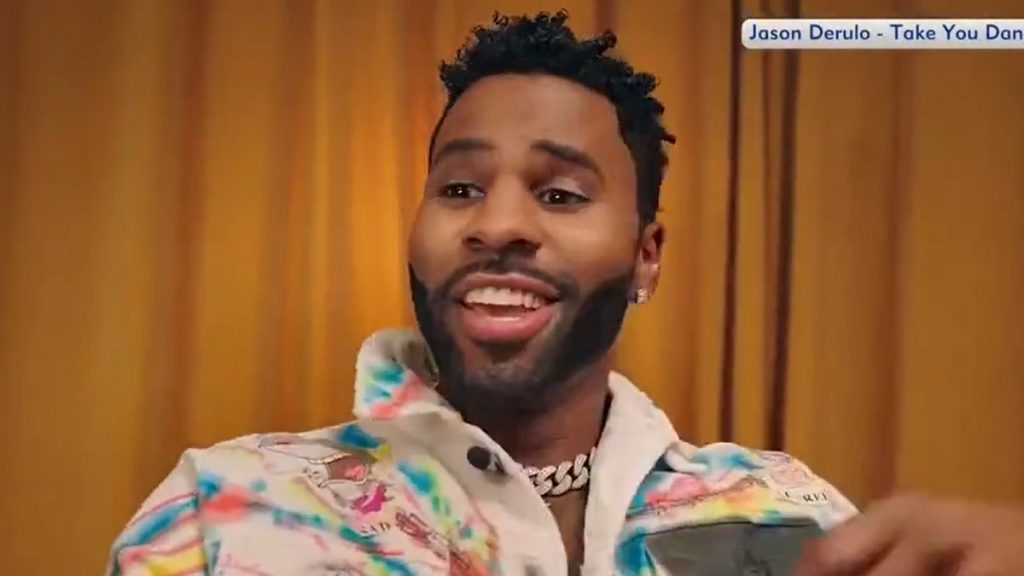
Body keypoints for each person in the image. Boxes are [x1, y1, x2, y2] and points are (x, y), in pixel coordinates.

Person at [107, 11, 1023, 576]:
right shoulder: (225, 507)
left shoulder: (785, 514)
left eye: (560, 195)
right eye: (459, 187)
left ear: (647, 256)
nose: (498, 223)